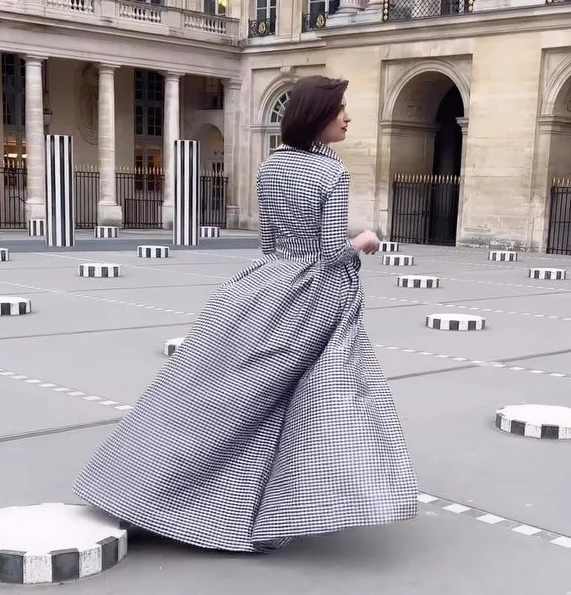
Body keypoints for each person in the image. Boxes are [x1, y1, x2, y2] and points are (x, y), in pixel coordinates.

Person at [75, 75, 418, 552]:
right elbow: (329, 254)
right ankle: (290, 501)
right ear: (318, 116)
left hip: (265, 285)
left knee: (223, 394)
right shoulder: (331, 173)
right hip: (316, 297)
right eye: (340, 109)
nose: (347, 118)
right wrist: (363, 241)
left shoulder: (271, 164)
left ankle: (143, 483)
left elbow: (270, 244)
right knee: (315, 397)